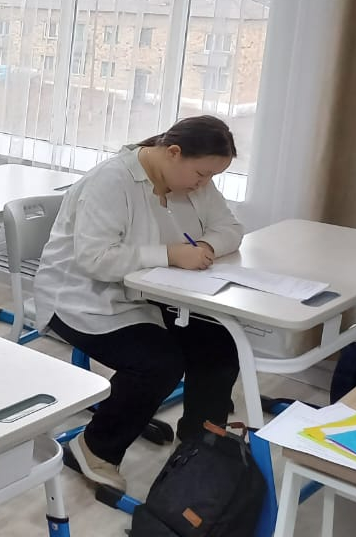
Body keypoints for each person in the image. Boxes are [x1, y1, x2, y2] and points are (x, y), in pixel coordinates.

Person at [33, 115, 244, 493]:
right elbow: (95, 259)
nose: (204, 183)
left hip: (152, 295)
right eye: (201, 173)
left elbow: (231, 228)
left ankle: (199, 447)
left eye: (212, 176)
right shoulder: (111, 181)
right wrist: (171, 254)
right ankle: (94, 448)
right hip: (82, 299)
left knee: (219, 341)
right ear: (174, 152)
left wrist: (206, 246)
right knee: (158, 363)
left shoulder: (192, 183)